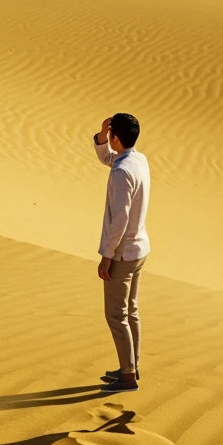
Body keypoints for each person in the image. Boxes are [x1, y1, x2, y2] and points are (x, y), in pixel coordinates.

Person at [92, 113, 150, 393]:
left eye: (110, 135)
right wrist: (103, 137)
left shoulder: (122, 172)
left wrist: (107, 255)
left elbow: (120, 220)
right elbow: (107, 157)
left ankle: (127, 377)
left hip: (123, 253)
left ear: (118, 138)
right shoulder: (137, 160)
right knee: (132, 311)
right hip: (139, 249)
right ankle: (132, 366)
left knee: (116, 315)